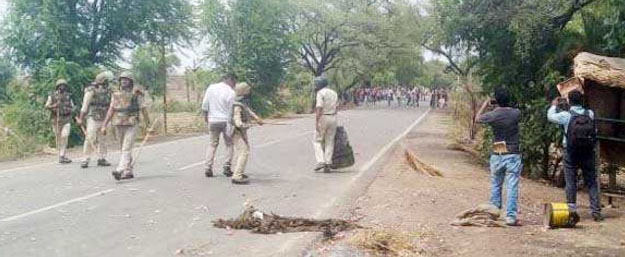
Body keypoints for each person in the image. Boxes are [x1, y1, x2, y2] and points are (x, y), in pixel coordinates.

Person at [547, 90, 603, 221]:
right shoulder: (590, 113)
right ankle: (596, 211)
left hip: (571, 152)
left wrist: (554, 105)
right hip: (588, 152)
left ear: (569, 101)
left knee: (570, 180)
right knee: (591, 181)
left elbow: (550, 116)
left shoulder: (566, 115)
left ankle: (571, 211)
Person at [475, 87, 522, 226]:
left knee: (496, 184)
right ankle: (511, 217)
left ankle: (493, 212)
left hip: (497, 152)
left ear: (496, 100)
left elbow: (477, 119)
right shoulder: (516, 113)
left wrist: (485, 104)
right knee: (512, 185)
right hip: (512, 153)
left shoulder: (493, 115)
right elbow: (514, 110)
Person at [101, 72, 151, 180]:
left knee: (126, 147)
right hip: (118, 123)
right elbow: (111, 109)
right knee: (122, 148)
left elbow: (143, 109)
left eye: (126, 79)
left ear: (131, 82)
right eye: (122, 79)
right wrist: (104, 125)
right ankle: (128, 170)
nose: (124, 81)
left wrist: (148, 124)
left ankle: (120, 169)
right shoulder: (116, 94)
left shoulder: (137, 94)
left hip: (132, 123)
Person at [202, 73, 237, 178]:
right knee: (229, 144)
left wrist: (206, 118)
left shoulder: (211, 88)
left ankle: (208, 167)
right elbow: (232, 109)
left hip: (213, 120)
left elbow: (204, 105)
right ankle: (227, 166)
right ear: (229, 79)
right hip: (226, 121)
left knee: (212, 144)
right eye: (234, 81)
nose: (234, 84)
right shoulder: (231, 92)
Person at [77, 72, 112, 168]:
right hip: (93, 117)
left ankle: (102, 158)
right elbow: (85, 106)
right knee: (90, 137)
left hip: (105, 118)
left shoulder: (109, 91)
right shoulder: (91, 90)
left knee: (103, 139)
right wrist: (81, 118)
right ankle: (85, 159)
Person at [230, 82, 264, 185]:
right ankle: (237, 176)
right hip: (236, 131)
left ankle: (238, 172)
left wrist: (257, 118)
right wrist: (246, 125)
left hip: (240, 131)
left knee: (241, 151)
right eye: (247, 89)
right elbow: (237, 121)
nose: (249, 90)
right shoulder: (237, 104)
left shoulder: (241, 102)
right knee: (244, 152)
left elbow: (248, 111)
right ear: (243, 91)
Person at [45, 79, 75, 164]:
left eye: (64, 85)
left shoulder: (69, 96)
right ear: (57, 86)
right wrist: (54, 105)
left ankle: (62, 155)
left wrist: (71, 110)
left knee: (65, 136)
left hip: (66, 119)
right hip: (56, 119)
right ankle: (61, 155)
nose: (62, 87)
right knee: (58, 138)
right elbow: (46, 106)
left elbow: (73, 107)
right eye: (60, 85)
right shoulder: (52, 96)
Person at [312, 77, 339, 172]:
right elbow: (337, 107)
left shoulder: (320, 93)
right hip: (333, 117)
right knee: (329, 141)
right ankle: (328, 162)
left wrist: (317, 121)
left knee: (317, 141)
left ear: (320, 84)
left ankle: (321, 161)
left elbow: (319, 107)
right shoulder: (334, 93)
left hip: (323, 117)